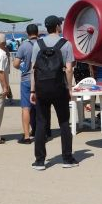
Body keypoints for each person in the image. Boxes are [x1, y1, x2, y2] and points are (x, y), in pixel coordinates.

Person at [30, 15, 76, 170]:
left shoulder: (38, 44)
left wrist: (32, 90)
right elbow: (69, 69)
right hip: (59, 88)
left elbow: (33, 70)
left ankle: (39, 161)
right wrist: (69, 88)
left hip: (42, 88)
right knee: (64, 122)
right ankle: (67, 159)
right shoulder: (66, 44)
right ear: (57, 26)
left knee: (41, 123)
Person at [13, 24, 39, 143]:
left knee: (26, 108)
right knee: (40, 107)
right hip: (40, 79)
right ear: (37, 32)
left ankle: (27, 136)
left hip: (27, 79)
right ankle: (41, 132)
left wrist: (23, 69)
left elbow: (16, 64)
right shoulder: (42, 44)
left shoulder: (24, 46)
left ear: (27, 33)